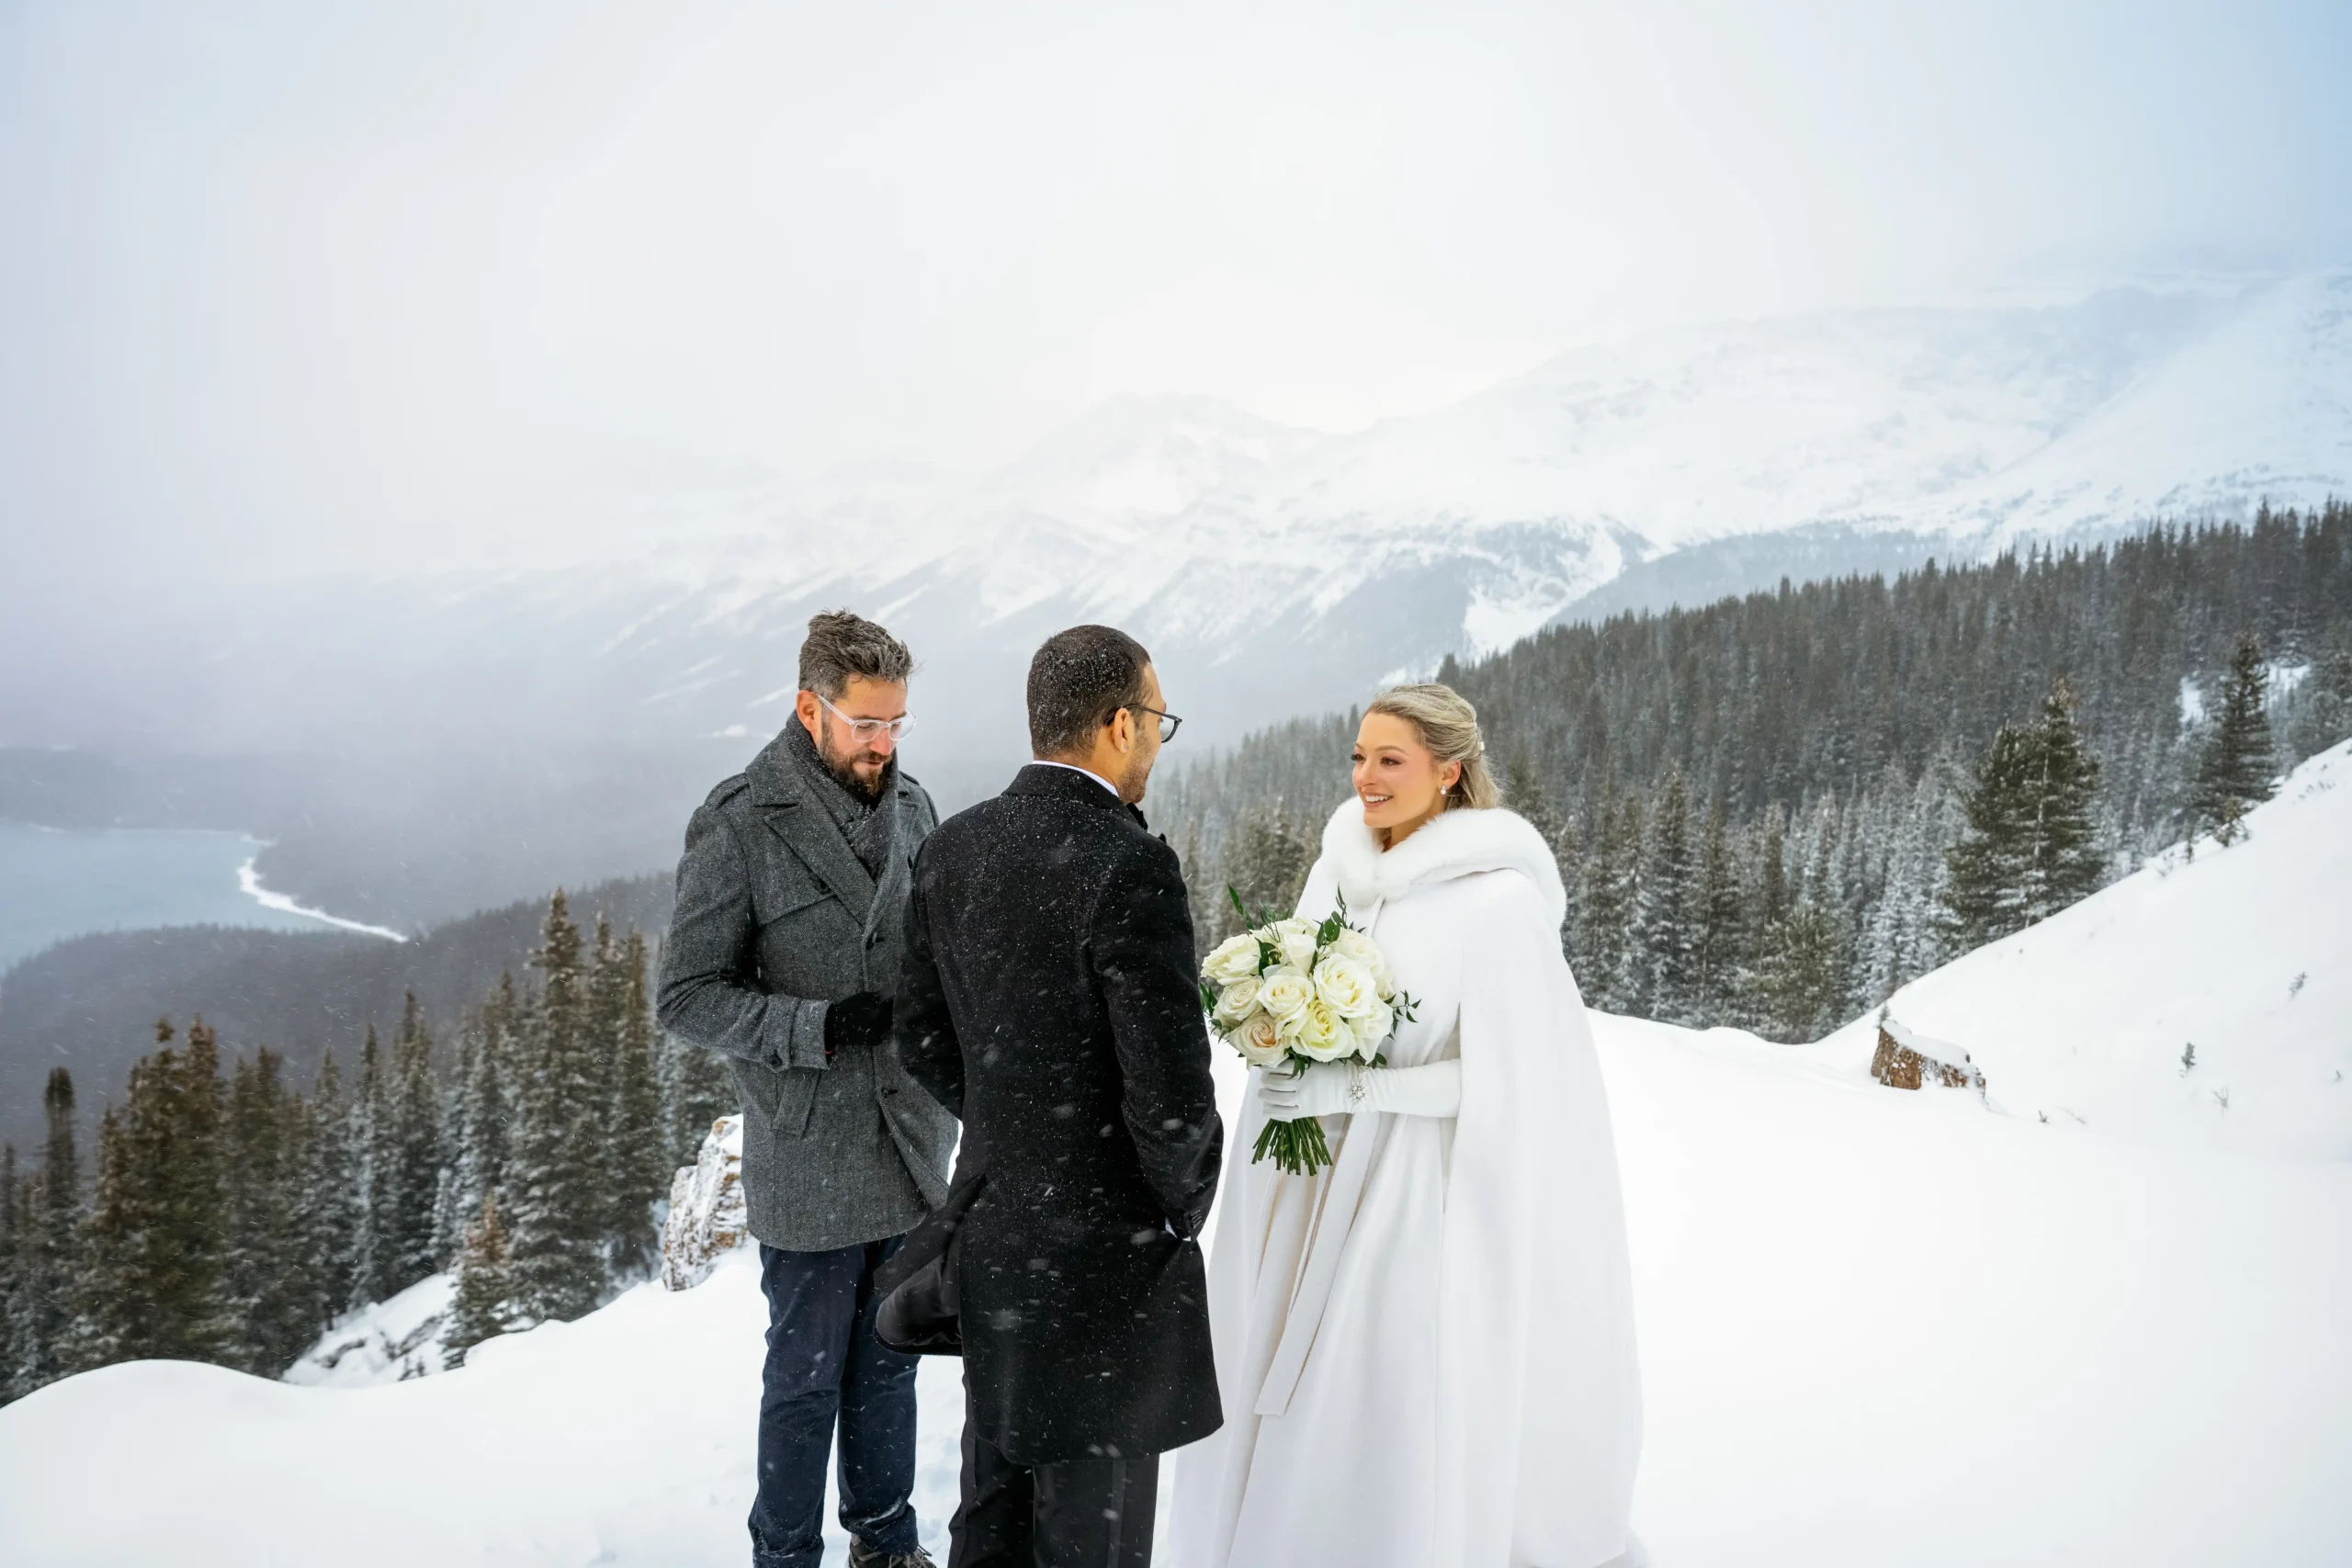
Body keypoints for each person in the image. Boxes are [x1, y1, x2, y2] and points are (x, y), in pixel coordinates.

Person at [1170, 682, 1645, 1568]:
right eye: (1359, 755)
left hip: (1413, 1196)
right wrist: (1277, 1043)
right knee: (1274, 1368)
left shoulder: (1498, 906)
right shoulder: (1334, 872)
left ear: (1450, 770)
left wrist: (1361, 1096)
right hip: (1305, 1187)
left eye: (1391, 759)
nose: (1367, 776)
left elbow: (1515, 1082)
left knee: (1378, 1385)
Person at [895, 624, 1224, 1568]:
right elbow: (1168, 1095)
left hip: (994, 1244)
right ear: (1119, 723)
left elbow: (920, 1036)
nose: (1159, 737)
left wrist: (1017, 1129)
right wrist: (1177, 1207)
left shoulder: (953, 848)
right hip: (1104, 1266)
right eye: (1157, 716)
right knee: (1094, 1537)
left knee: (992, 1521)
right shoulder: (1128, 865)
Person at [658, 610, 956, 1568]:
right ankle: (784, 1556)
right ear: (808, 707)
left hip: (909, 1140)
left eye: (897, 724)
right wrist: (817, 1026)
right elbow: (686, 997)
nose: (884, 744)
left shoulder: (914, 808)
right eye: (866, 724)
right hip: (808, 1143)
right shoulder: (741, 820)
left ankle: (886, 1543)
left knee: (890, 1366)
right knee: (803, 1380)